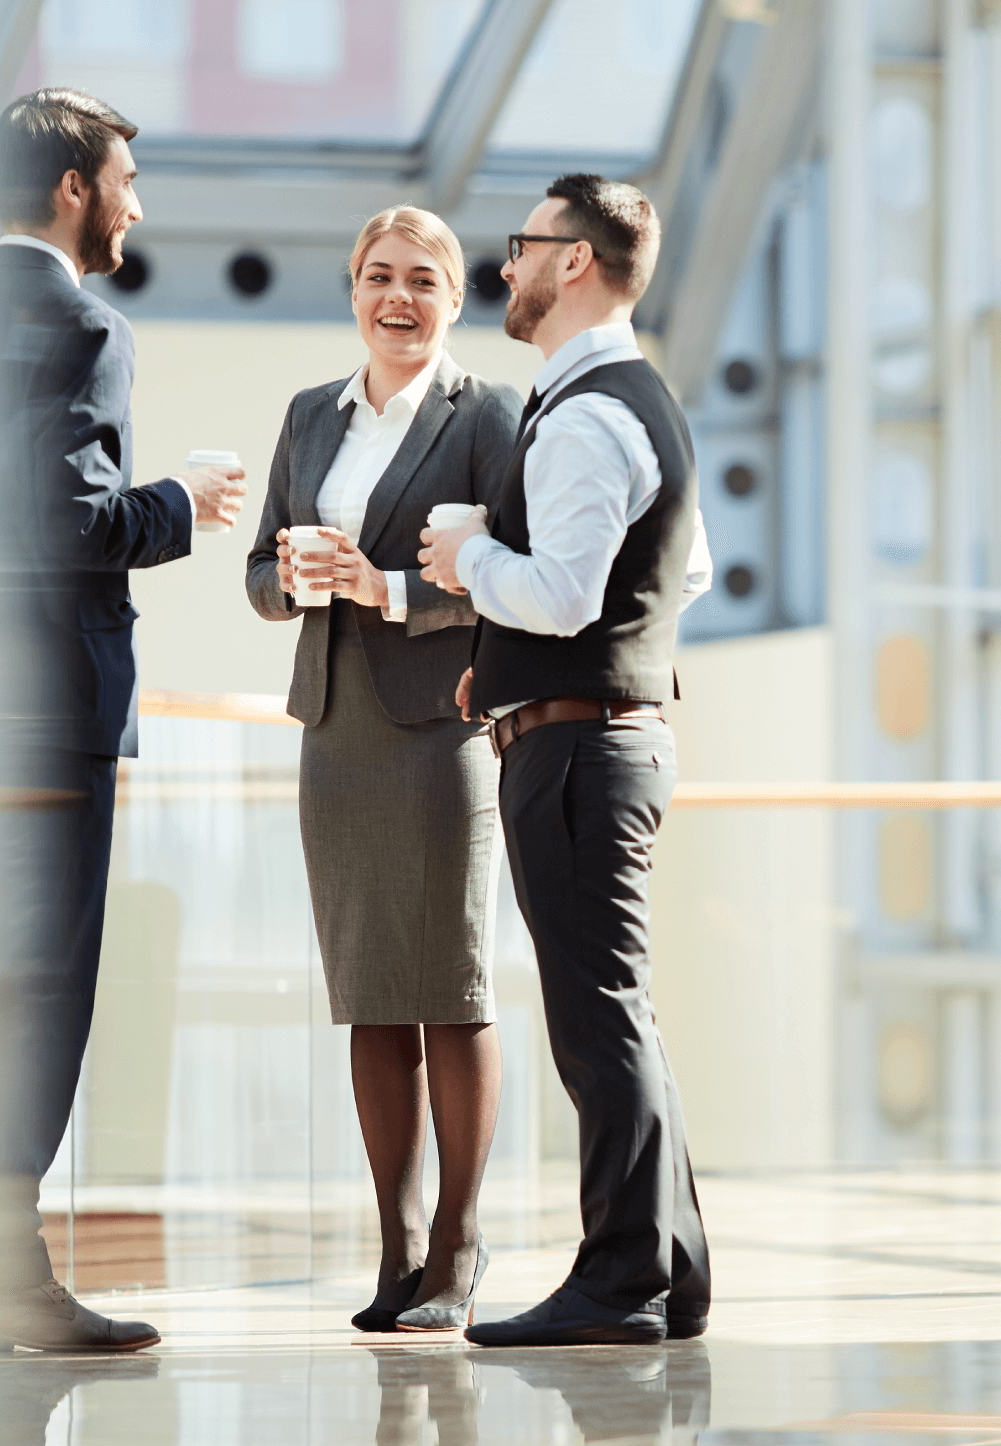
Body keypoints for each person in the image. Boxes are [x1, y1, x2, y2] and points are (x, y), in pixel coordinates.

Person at [0, 88, 246, 1353]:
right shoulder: (85, 328)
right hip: (49, 711)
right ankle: (7, 1274)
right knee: (39, 992)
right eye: (122, 182)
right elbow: (73, 522)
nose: (135, 206)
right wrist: (179, 502)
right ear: (71, 193)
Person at [419, 173, 713, 1346]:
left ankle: (621, 1281)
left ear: (574, 262)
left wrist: (470, 557)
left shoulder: (588, 413)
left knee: (596, 1022)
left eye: (523, 246)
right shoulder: (639, 399)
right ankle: (669, 1270)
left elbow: (566, 591)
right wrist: (514, 660)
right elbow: (681, 570)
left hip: (581, 753)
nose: (508, 267)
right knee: (615, 1014)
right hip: (605, 734)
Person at [246, 207, 521, 1332]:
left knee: (449, 988)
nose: (396, 298)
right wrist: (297, 578)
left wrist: (389, 592)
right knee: (368, 996)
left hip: (441, 725)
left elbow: (512, 571)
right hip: (335, 728)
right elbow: (261, 573)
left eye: (420, 280)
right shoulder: (311, 415)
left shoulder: (488, 414)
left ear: (454, 300)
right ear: (351, 290)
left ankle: (459, 1242)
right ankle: (397, 1244)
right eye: (376, 277)